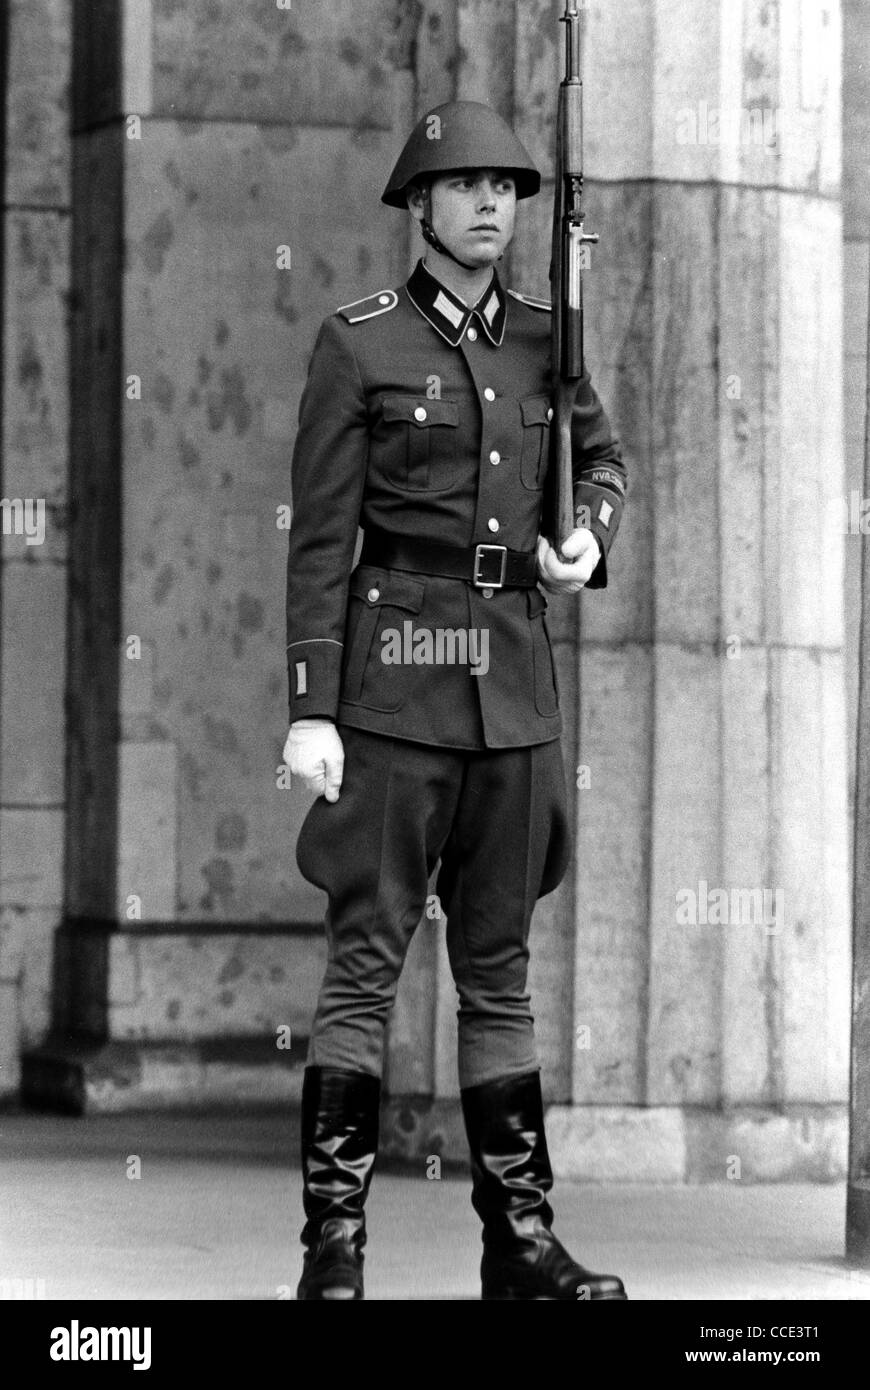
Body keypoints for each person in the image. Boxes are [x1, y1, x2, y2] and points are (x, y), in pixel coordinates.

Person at [283, 100, 628, 1301]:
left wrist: (589, 533)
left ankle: (520, 1242)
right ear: (418, 205)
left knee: (500, 969)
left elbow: (603, 458)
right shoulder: (359, 342)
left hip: (516, 693)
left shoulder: (550, 338)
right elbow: (321, 540)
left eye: (506, 187)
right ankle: (336, 1248)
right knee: (365, 964)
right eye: (466, 183)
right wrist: (311, 705)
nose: (491, 203)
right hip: (391, 689)